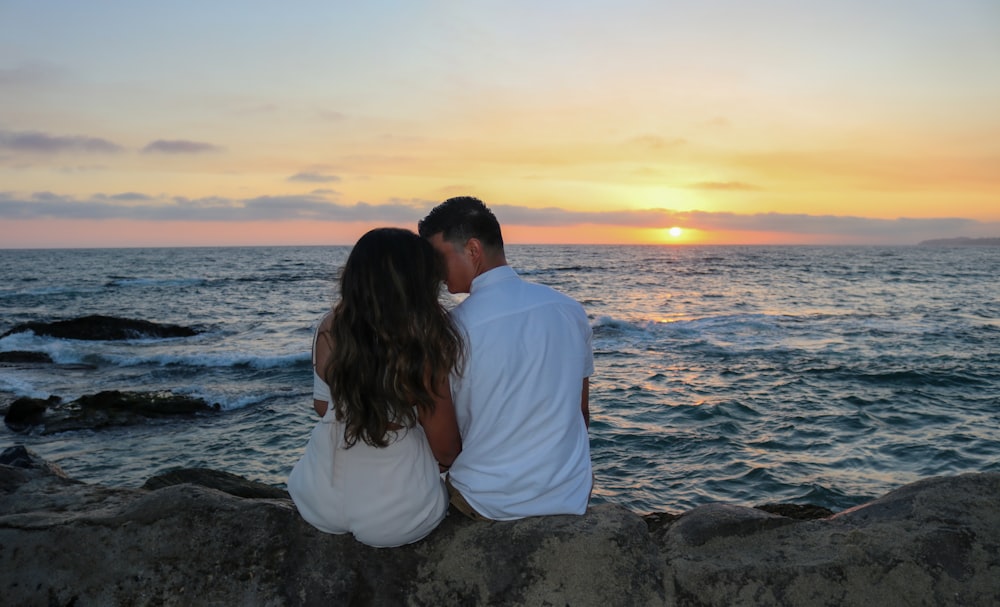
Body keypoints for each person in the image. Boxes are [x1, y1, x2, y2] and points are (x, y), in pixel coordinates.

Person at [418, 196, 594, 521]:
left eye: (437, 258)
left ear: (472, 251)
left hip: (487, 502)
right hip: (569, 495)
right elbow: (580, 415)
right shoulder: (570, 310)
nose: (433, 271)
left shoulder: (449, 331)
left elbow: (446, 450)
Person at [287, 227, 464, 547]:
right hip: (395, 514)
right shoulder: (426, 338)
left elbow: (323, 407)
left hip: (316, 497)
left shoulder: (329, 326)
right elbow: (446, 449)